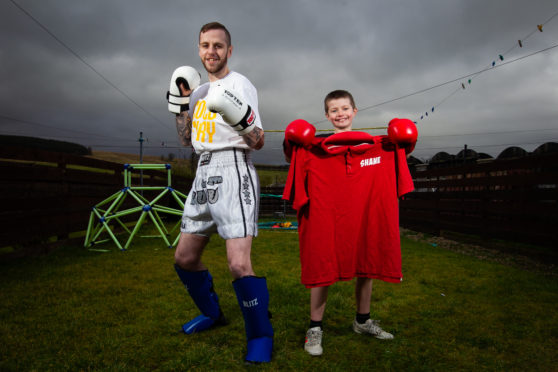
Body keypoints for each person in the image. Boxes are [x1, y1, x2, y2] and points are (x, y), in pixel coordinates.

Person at [166, 22, 273, 364]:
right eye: (204, 45)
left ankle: (260, 335)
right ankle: (214, 314)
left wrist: (237, 115)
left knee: (238, 264)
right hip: (202, 171)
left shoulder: (240, 84)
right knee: (184, 258)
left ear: (229, 50)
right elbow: (187, 140)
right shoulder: (198, 93)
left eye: (217, 45)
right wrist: (181, 103)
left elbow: (258, 140)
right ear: (198, 49)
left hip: (234, 167)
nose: (210, 51)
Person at [282, 90, 417, 356]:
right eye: (334, 110)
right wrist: (293, 141)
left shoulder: (383, 147)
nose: (340, 113)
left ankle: (363, 320)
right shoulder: (313, 150)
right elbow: (292, 157)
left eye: (345, 108)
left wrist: (404, 138)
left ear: (355, 111)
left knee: (367, 265)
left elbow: (404, 151)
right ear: (327, 116)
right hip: (326, 219)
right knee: (322, 269)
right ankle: (315, 327)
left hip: (366, 217)